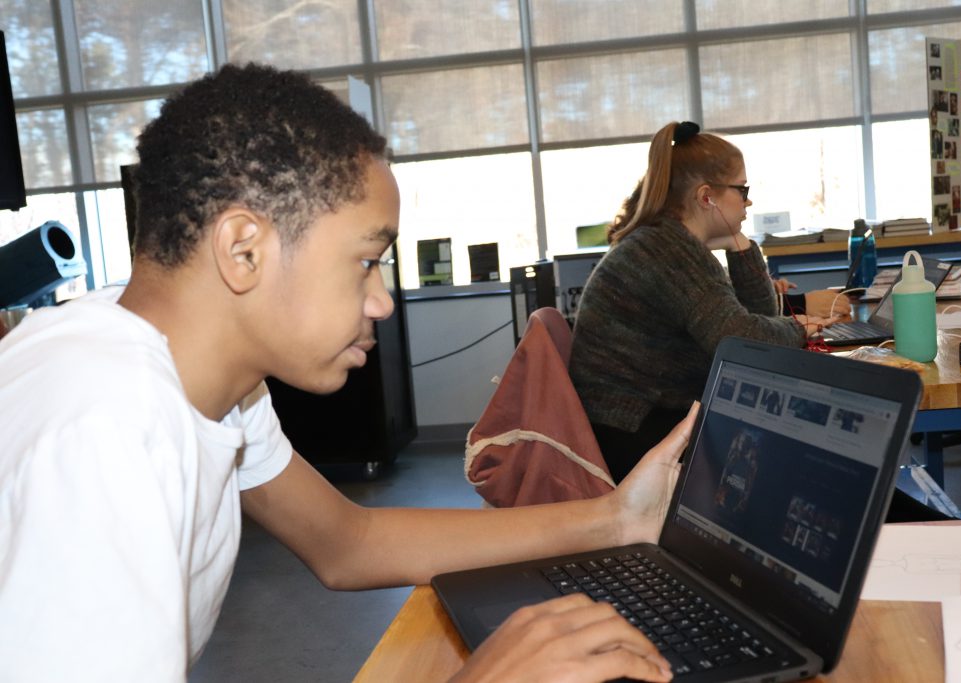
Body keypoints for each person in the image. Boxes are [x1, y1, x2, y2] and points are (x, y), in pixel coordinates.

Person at [0, 63, 699, 683]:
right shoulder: (104, 427)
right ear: (243, 249)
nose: (383, 300)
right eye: (368, 260)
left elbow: (347, 543)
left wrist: (614, 519)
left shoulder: (204, 378)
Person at [569, 121, 842, 483]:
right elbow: (742, 340)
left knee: (796, 455)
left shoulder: (669, 243)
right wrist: (800, 326)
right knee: (799, 465)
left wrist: (739, 243)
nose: (748, 200)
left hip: (642, 422)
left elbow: (756, 317)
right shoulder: (667, 251)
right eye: (742, 189)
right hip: (635, 435)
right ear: (706, 197)